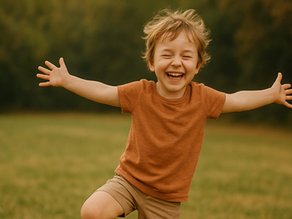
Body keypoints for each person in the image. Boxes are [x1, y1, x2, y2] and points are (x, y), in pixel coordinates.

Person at [37, 9, 292, 219]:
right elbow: (105, 91)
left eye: (186, 56)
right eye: (167, 54)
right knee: (91, 211)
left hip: (166, 198)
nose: (176, 62)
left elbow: (237, 99)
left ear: (197, 65)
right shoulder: (139, 92)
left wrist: (270, 95)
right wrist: (68, 81)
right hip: (129, 181)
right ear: (151, 62)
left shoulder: (203, 99)